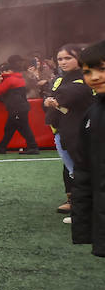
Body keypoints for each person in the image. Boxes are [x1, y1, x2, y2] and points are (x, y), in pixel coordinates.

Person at [44, 45, 91, 217]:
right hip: (62, 129)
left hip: (82, 129)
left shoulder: (86, 78)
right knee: (71, 169)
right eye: (60, 59)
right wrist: (52, 101)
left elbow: (67, 97)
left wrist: (55, 101)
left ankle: (84, 208)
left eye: (68, 58)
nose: (63, 62)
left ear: (79, 58)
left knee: (80, 169)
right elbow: (51, 97)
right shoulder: (59, 79)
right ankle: (74, 202)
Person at [69, 41, 105, 254]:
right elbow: (84, 171)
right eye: (87, 71)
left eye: (102, 69)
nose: (94, 77)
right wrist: (83, 225)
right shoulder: (92, 114)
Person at [0, 57, 40, 154]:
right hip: (19, 107)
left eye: (3, 71)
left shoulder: (10, 80)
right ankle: (1, 147)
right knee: (10, 128)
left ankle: (33, 147)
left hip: (16, 108)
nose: (1, 74)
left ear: (9, 71)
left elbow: (0, 91)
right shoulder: (18, 78)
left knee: (23, 128)